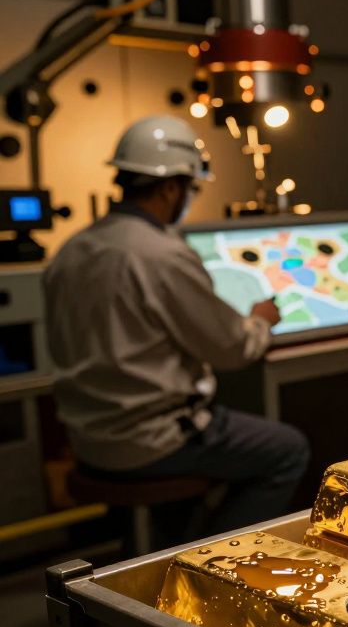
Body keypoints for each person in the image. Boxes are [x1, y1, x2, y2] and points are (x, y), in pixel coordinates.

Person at [45, 114, 309, 535]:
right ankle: (211, 558)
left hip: (90, 439)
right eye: (191, 187)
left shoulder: (71, 250)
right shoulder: (161, 253)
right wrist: (260, 322)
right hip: (154, 441)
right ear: (171, 187)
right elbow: (231, 348)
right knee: (289, 449)